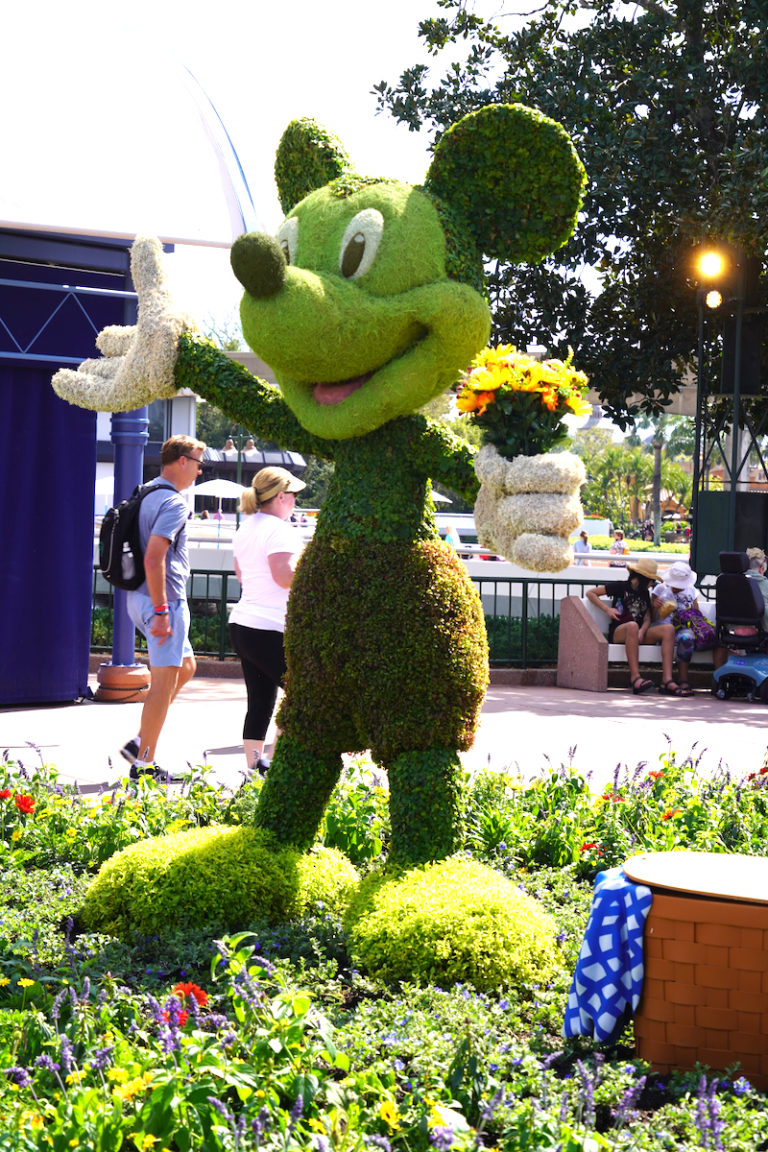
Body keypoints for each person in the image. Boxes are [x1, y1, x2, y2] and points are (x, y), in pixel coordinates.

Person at [121, 434, 206, 778]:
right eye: (199, 464)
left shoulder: (146, 492)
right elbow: (154, 557)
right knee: (162, 684)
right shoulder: (174, 503)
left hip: (137, 597)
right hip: (163, 603)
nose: (200, 472)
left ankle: (140, 741)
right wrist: (161, 612)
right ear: (182, 461)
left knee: (185, 667)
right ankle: (143, 763)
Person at [229, 466, 306, 774]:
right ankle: (274, 765)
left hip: (244, 627)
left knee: (260, 702)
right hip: (269, 629)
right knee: (305, 693)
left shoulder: (247, 526)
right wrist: (314, 573)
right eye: (295, 496)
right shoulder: (279, 529)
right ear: (282, 496)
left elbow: (241, 574)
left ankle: (254, 771)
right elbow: (284, 576)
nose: (296, 502)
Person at [586, 557, 679, 694]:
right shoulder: (620, 586)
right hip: (620, 632)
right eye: (650, 581)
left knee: (668, 630)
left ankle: (667, 680)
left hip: (637, 633)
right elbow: (591, 593)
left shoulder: (644, 593)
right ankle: (635, 678)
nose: (651, 584)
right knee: (632, 626)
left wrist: (642, 631)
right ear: (643, 578)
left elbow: (648, 618)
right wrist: (607, 610)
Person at [651, 560, 718, 697]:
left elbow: (696, 613)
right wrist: (655, 606)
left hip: (683, 628)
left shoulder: (691, 590)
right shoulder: (660, 589)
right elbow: (652, 617)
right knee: (673, 632)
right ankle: (668, 680)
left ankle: (683, 678)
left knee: (686, 638)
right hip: (664, 627)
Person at [746, 547, 768, 629]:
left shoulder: (729, 581)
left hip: (731, 629)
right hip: (760, 631)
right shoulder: (765, 583)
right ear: (762, 568)